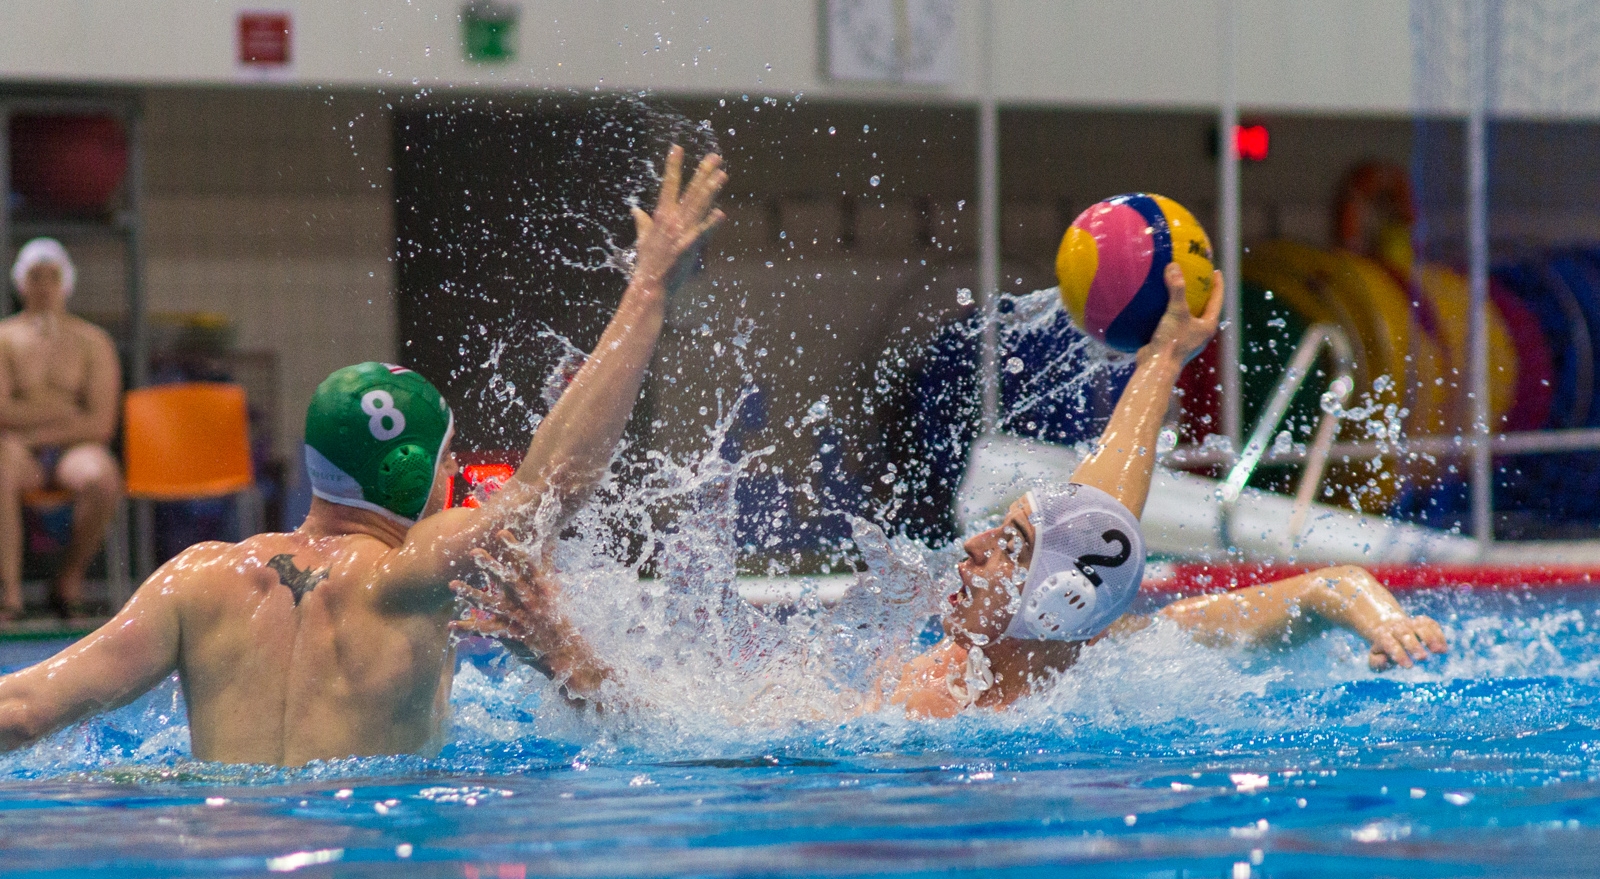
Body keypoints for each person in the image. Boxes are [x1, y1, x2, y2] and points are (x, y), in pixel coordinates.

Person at [0, 146, 727, 764]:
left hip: (231, 860)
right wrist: (648, 291)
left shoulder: (195, 581)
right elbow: (554, 482)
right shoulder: (411, 570)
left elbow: (26, 707)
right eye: (444, 464)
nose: (450, 483)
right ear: (409, 472)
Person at [456, 263, 1448, 716]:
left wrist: (557, 646)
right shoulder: (1108, 661)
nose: (971, 546)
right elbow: (1313, 583)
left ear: (1044, 604)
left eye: (1006, 548)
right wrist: (1165, 353)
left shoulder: (939, 709)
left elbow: (665, 736)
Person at [0, 238, 124, 618]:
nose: (43, 286)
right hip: (19, 452)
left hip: (70, 448)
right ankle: (10, 593)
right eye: (34, 276)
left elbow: (101, 424)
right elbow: (1, 412)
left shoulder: (93, 342)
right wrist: (65, 411)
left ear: (65, 283)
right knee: (2, 464)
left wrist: (33, 420)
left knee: (102, 478)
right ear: (20, 283)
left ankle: (68, 580)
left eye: (51, 276)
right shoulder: (4, 338)